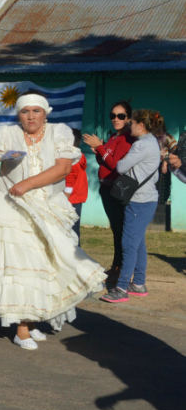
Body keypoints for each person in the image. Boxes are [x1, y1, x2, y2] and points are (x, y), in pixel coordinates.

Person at [0, 92, 105, 350]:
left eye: (36, 111)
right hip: (11, 209)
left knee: (45, 263)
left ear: (45, 113)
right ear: (18, 114)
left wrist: (27, 184)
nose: (31, 116)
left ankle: (31, 321)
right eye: (25, 111)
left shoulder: (59, 132)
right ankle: (21, 329)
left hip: (48, 207)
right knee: (18, 266)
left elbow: (63, 168)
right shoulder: (5, 134)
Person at [100, 110, 163, 303]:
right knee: (138, 243)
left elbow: (120, 167)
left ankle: (121, 288)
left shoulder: (142, 145)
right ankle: (138, 284)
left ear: (141, 126)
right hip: (145, 199)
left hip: (139, 201)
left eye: (132, 123)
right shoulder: (152, 142)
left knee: (128, 243)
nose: (129, 126)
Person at [82, 101, 135, 286]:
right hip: (106, 188)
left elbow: (116, 165)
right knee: (116, 229)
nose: (115, 119)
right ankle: (116, 266)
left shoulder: (127, 138)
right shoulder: (113, 137)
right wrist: (98, 150)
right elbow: (105, 161)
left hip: (116, 189)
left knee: (121, 230)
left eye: (121, 116)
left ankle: (122, 269)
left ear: (128, 118)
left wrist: (101, 148)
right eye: (113, 115)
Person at [65, 129, 88, 241]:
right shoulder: (79, 156)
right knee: (75, 230)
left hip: (70, 199)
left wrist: (63, 201)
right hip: (78, 198)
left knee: (70, 231)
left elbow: (69, 183)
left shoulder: (71, 159)